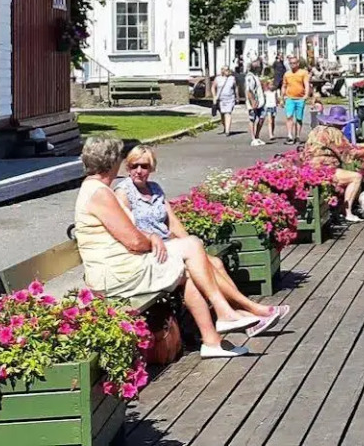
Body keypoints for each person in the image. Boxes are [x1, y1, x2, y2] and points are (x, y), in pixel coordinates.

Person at [74, 135, 252, 359]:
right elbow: (134, 241)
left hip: (122, 267)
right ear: (112, 163)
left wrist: (149, 235)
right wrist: (152, 239)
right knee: (192, 245)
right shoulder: (99, 193)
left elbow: (126, 231)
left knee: (188, 269)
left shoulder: (97, 189)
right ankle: (224, 312)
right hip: (116, 274)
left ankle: (212, 340)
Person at [116, 147, 287, 333]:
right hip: (153, 251)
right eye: (134, 166)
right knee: (204, 267)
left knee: (214, 262)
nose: (139, 171)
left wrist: (194, 248)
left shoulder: (155, 189)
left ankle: (242, 317)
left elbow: (173, 223)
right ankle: (251, 309)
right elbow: (128, 229)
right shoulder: (124, 192)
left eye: (144, 166)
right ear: (128, 166)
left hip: (172, 245)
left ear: (152, 168)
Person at [303, 124, 364, 222]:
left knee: (347, 174)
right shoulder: (334, 133)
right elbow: (352, 155)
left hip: (310, 169)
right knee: (356, 177)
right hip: (325, 170)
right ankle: (347, 212)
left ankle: (342, 208)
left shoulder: (316, 130)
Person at [282, 60, 312, 144]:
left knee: (299, 118)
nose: (292, 65)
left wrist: (306, 95)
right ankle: (289, 135)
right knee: (289, 116)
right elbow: (284, 86)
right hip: (290, 98)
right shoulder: (287, 74)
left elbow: (306, 84)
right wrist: (282, 97)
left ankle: (298, 136)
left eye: (294, 63)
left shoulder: (303, 73)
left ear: (298, 64)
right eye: (290, 63)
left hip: (300, 98)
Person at [213, 65, 238, 137]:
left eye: (228, 69)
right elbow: (213, 87)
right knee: (222, 114)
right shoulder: (218, 78)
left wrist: (237, 96)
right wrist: (214, 96)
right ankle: (225, 127)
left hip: (230, 98)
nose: (228, 71)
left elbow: (235, 87)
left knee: (228, 113)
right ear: (222, 71)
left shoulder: (232, 78)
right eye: (226, 70)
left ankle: (227, 131)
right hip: (221, 99)